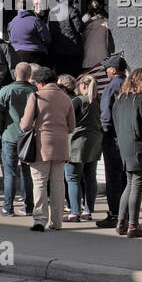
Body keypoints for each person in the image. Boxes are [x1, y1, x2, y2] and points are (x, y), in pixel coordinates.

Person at [20, 66, 76, 232]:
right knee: (58, 183)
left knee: (39, 182)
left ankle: (40, 219)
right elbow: (72, 126)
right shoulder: (66, 98)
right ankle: (57, 222)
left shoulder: (36, 96)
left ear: (40, 82)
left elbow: (25, 125)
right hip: (61, 145)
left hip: (41, 146)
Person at [112, 67, 142, 237]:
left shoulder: (119, 99)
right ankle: (133, 226)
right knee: (137, 185)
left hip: (124, 147)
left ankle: (121, 223)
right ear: (141, 82)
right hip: (140, 148)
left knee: (130, 184)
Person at [0, 62, 36, 217]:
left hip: (10, 135)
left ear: (14, 74)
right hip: (29, 136)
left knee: (10, 172)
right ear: (30, 75)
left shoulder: (6, 91)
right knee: (27, 172)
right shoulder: (34, 91)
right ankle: (29, 206)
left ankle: (8, 207)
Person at [64, 73, 103, 223]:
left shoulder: (78, 101)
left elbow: (67, 121)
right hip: (94, 143)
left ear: (83, 86)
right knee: (90, 177)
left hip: (76, 144)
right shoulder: (99, 101)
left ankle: (75, 212)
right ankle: (88, 210)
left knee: (73, 178)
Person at [96, 55, 128, 228]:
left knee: (113, 178)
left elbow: (106, 113)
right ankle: (125, 213)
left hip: (113, 137)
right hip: (127, 138)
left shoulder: (112, 86)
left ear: (113, 70)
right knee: (125, 178)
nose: (106, 71)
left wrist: (105, 131)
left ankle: (115, 214)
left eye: (107, 68)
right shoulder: (131, 84)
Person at [50, 0, 85, 78]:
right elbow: (80, 28)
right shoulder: (73, 10)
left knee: (60, 75)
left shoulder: (53, 11)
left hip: (57, 49)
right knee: (73, 76)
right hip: (73, 50)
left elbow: (51, 29)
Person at [8, 0, 51, 66]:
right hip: (36, 54)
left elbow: (11, 38)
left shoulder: (12, 22)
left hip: (17, 55)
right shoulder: (35, 21)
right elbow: (46, 39)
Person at [82, 5, 115, 72]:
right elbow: (109, 41)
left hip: (88, 57)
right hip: (102, 56)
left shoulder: (86, 25)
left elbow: (82, 39)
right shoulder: (106, 24)